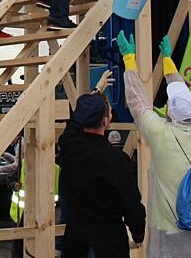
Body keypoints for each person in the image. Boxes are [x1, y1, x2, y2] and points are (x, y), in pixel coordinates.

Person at [118, 32, 191, 257]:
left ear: (170, 112)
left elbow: (137, 102)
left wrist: (129, 61)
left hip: (171, 226)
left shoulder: (160, 133)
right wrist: (168, 62)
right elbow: (184, 97)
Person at [59, 93, 145, 258]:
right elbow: (132, 205)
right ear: (106, 120)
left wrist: (95, 93)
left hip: (76, 241)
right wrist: (138, 234)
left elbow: (73, 126)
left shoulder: (69, 147)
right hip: (108, 243)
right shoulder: (116, 160)